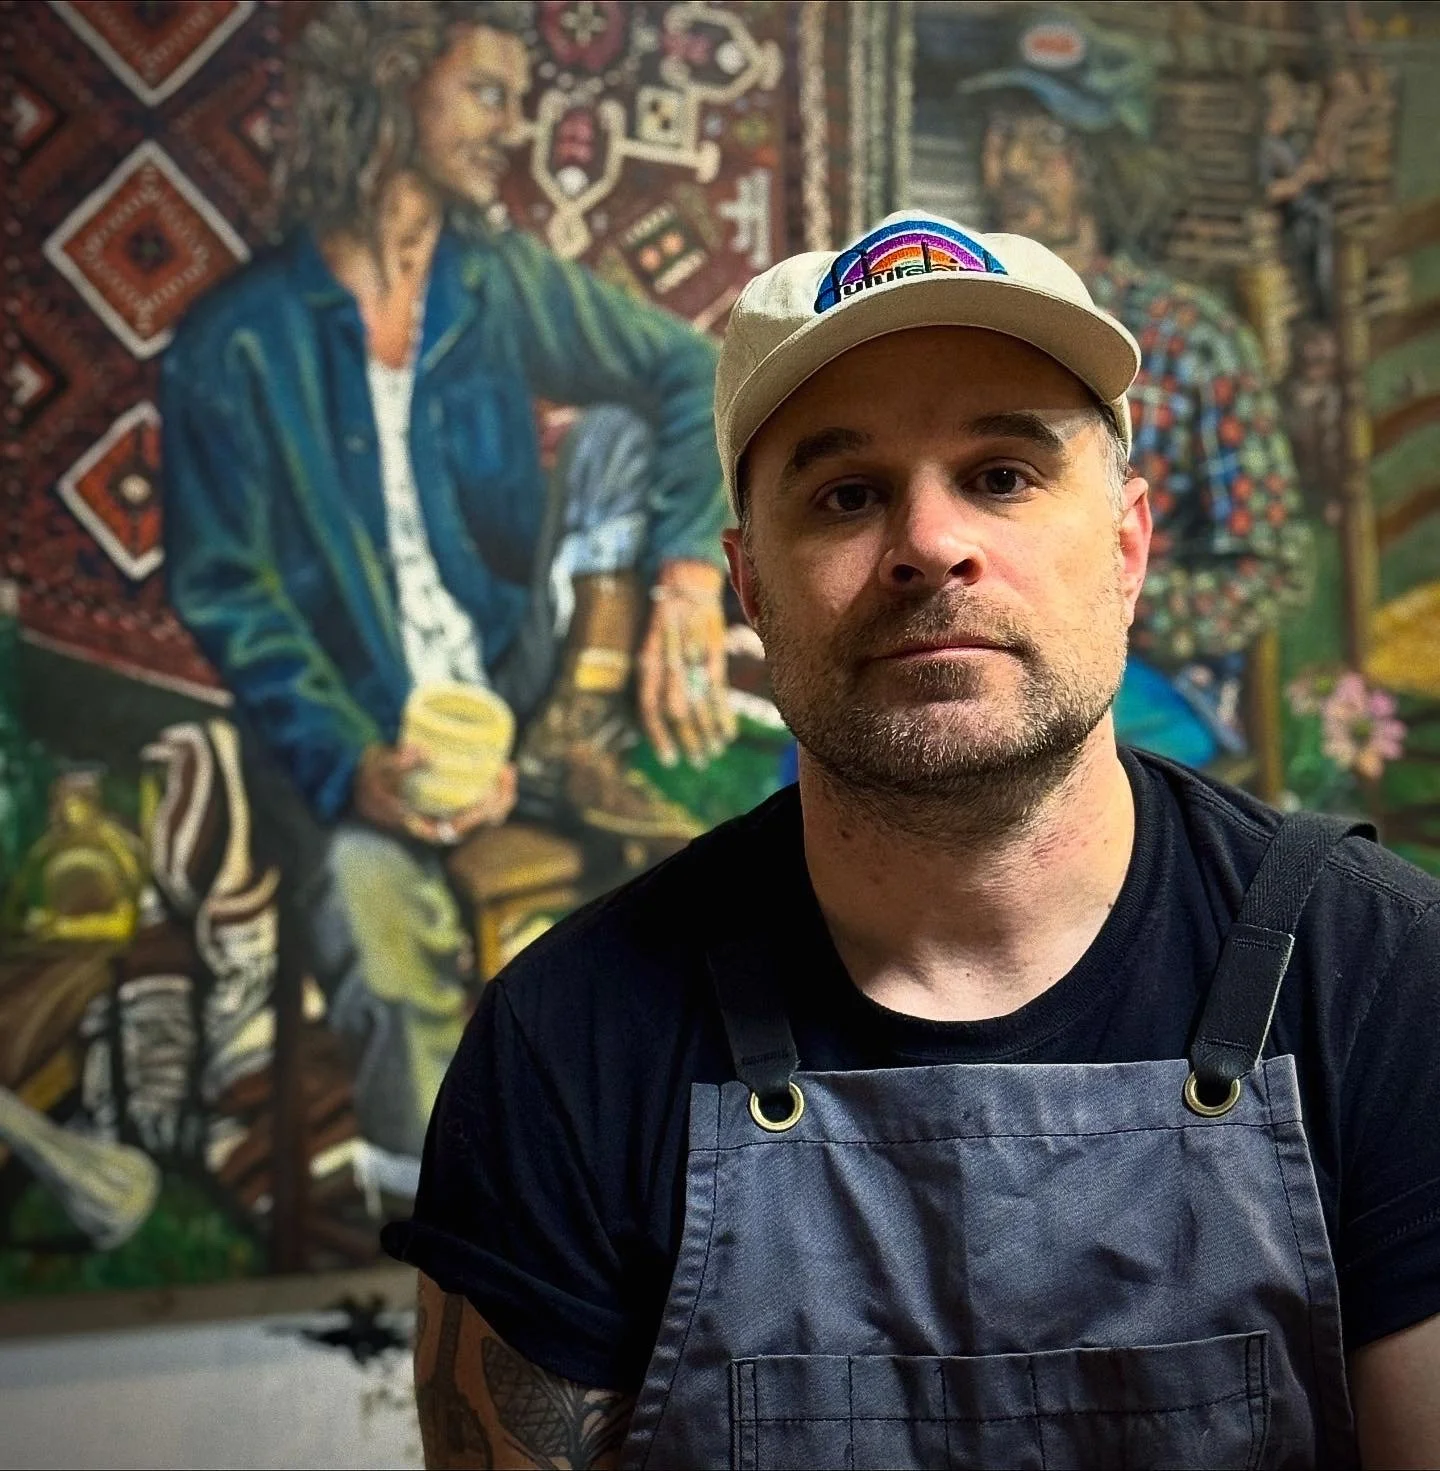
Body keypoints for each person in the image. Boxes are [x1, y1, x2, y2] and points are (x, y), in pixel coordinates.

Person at [384, 211, 1440, 1469]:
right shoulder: (567, 1044)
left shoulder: (1381, 977)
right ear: (752, 586)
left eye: (1003, 474)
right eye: (847, 494)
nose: (931, 543)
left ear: (1127, 546)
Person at [160, 0, 733, 1196]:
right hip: (350, 727)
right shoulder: (237, 341)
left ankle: (579, 733)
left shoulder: (497, 284)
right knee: (383, 932)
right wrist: (353, 764)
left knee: (626, 429)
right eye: (486, 93)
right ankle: (426, 1261)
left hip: (508, 678)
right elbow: (228, 591)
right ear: (393, 86)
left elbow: (686, 369)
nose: (511, 127)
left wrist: (687, 564)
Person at [950, 9, 1313, 769]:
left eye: (1048, 143)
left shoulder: (1190, 340)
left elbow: (1270, 565)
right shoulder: (954, 334)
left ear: (1106, 167)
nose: (1011, 164)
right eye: (1001, 135)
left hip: (1152, 682)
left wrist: (1101, 602)